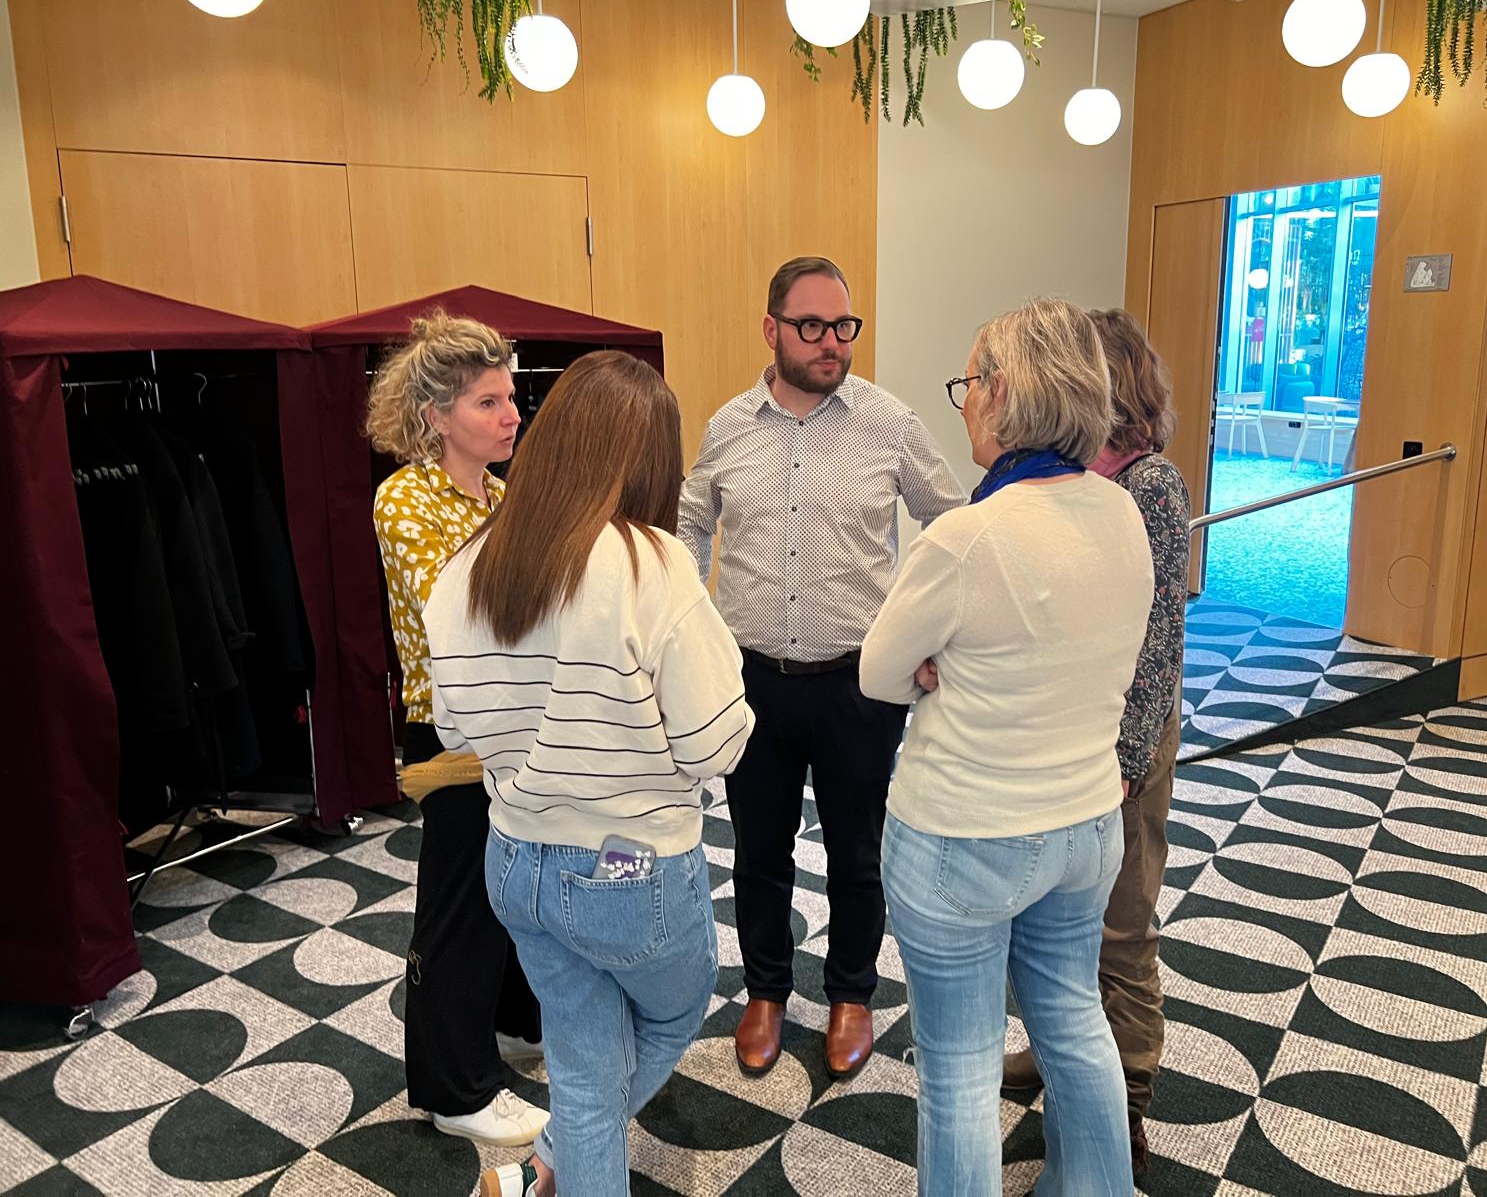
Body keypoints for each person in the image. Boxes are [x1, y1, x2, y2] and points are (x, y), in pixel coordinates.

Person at [423, 351, 754, 1197]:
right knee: (672, 1014)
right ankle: (557, 1154)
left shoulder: (468, 565)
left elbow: (454, 729)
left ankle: (547, 1169)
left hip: (515, 862)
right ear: (653, 461)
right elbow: (717, 746)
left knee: (584, 1060)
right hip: (629, 867)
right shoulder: (653, 563)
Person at [860, 298, 1153, 1196]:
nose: (963, 404)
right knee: (1073, 1017)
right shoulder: (1123, 510)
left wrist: (938, 665)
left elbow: (878, 672)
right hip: (1086, 824)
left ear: (1001, 393)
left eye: (968, 383)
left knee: (959, 1067)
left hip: (964, 832)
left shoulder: (968, 535)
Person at [679, 256, 966, 1081]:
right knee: (758, 851)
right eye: (812, 327)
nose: (832, 342)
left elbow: (952, 525)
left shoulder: (890, 423)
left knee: (857, 851)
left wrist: (932, 631)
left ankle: (850, 996)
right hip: (753, 681)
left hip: (860, 682)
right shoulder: (728, 427)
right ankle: (765, 993)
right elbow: (692, 522)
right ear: (771, 330)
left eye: (844, 326)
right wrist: (688, 626)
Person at [1002, 307, 1192, 1179]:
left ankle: (1128, 1104)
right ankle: (1060, 1054)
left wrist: (1126, 762)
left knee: (1120, 926)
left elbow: (1158, 643)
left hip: (1125, 743)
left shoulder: (1149, 485)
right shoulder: (1066, 475)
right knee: (1052, 922)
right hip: (1062, 732)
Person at [367, 312, 547, 1147]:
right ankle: (453, 1086)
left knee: (507, 893)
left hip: (512, 722)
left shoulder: (502, 496)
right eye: (488, 402)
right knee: (459, 906)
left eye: (510, 397)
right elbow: (466, 609)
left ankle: (507, 1027)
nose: (512, 415)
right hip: (449, 733)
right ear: (436, 415)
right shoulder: (404, 498)